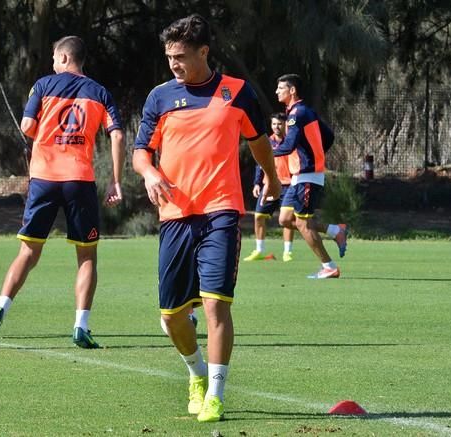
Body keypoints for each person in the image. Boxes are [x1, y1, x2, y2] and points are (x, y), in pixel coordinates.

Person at [132, 14, 281, 423]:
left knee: (216, 306)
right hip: (175, 215)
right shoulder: (160, 96)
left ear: (204, 52)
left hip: (221, 211)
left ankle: (215, 393)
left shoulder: (237, 93)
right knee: (172, 317)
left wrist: (270, 178)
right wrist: (149, 173)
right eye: (169, 57)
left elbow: (259, 143)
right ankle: (196, 372)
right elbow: (141, 151)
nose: (174, 64)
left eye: (181, 56)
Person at [0, 36, 125, 349]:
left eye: (56, 58)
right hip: (79, 180)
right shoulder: (100, 93)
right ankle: (81, 326)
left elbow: (28, 125)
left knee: (28, 253)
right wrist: (115, 180)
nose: (53, 64)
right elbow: (118, 135)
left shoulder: (42, 86)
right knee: (87, 257)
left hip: (43, 178)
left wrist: (44, 132)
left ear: (66, 58)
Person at [272, 73, 348, 279]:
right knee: (286, 219)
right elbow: (329, 136)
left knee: (303, 223)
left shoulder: (298, 113)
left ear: (292, 90)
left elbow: (288, 145)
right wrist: (314, 152)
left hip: (308, 175)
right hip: (300, 174)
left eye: (281, 88)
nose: (277, 91)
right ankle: (335, 231)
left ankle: (329, 266)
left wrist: (264, 152)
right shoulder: (303, 111)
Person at [243, 113, 295, 262]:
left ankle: (288, 252)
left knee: (286, 219)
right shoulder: (267, 142)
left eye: (279, 124)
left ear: (285, 124)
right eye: (274, 124)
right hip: (269, 185)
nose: (276, 127)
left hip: (288, 185)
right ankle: (259, 250)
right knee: (258, 216)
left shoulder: (291, 141)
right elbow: (260, 163)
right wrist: (257, 183)